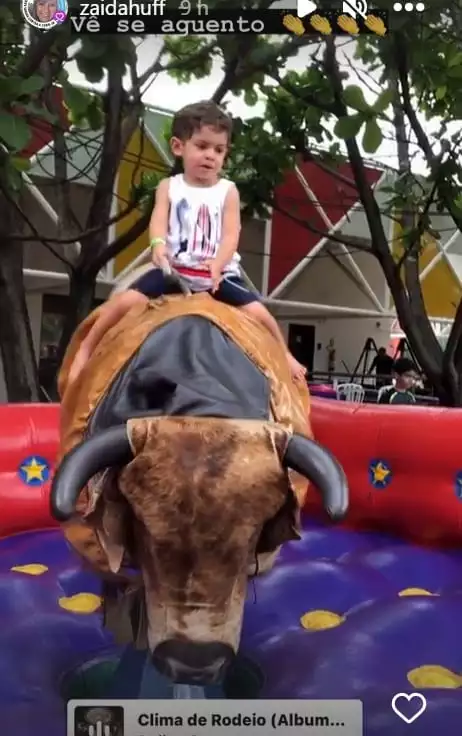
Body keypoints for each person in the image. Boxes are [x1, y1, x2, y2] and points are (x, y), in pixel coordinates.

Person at [68, 100, 306, 384]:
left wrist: (218, 264)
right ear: (179, 147)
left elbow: (231, 234)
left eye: (218, 150)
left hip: (215, 274)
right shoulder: (169, 187)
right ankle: (87, 349)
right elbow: (158, 220)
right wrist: (158, 245)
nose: (210, 156)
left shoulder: (227, 191)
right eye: (202, 146)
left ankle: (285, 355)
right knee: (122, 303)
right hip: (176, 270)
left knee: (261, 314)